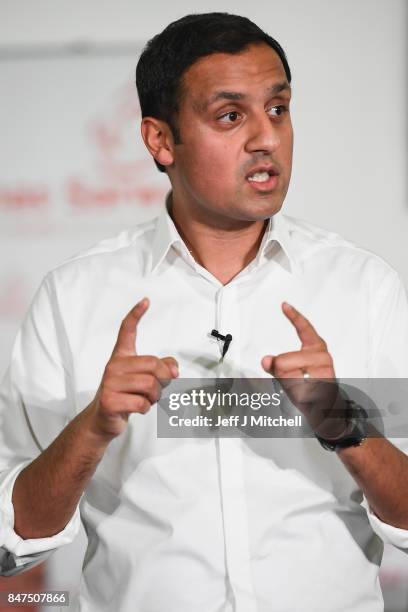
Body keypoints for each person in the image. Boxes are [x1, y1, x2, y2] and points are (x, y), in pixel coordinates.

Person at [1, 12, 408, 612]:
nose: (266, 138)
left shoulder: (363, 285)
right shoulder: (75, 295)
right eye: (230, 116)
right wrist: (92, 429)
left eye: (278, 108)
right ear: (160, 140)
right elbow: (15, 537)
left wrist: (343, 423)